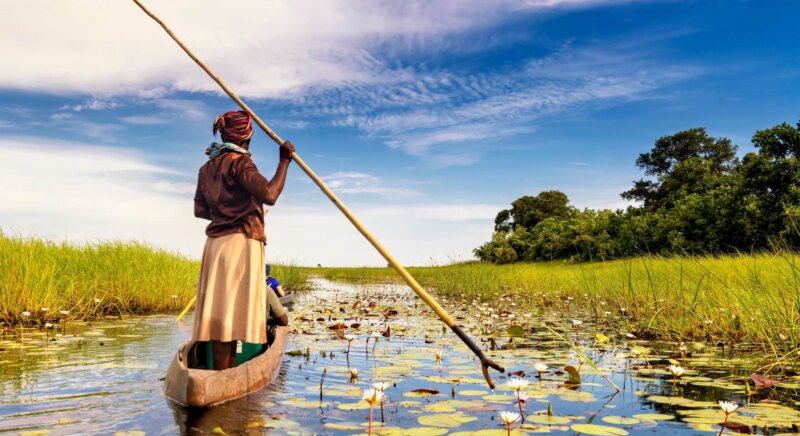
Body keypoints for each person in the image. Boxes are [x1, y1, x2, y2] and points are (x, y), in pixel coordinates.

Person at [192, 110, 293, 370]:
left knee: (221, 312)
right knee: (233, 312)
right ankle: (224, 376)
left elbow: (200, 211)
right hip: (241, 241)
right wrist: (284, 161)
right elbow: (269, 194)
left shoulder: (207, 168)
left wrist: (225, 211)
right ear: (247, 134)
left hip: (216, 246)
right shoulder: (240, 162)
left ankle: (224, 370)